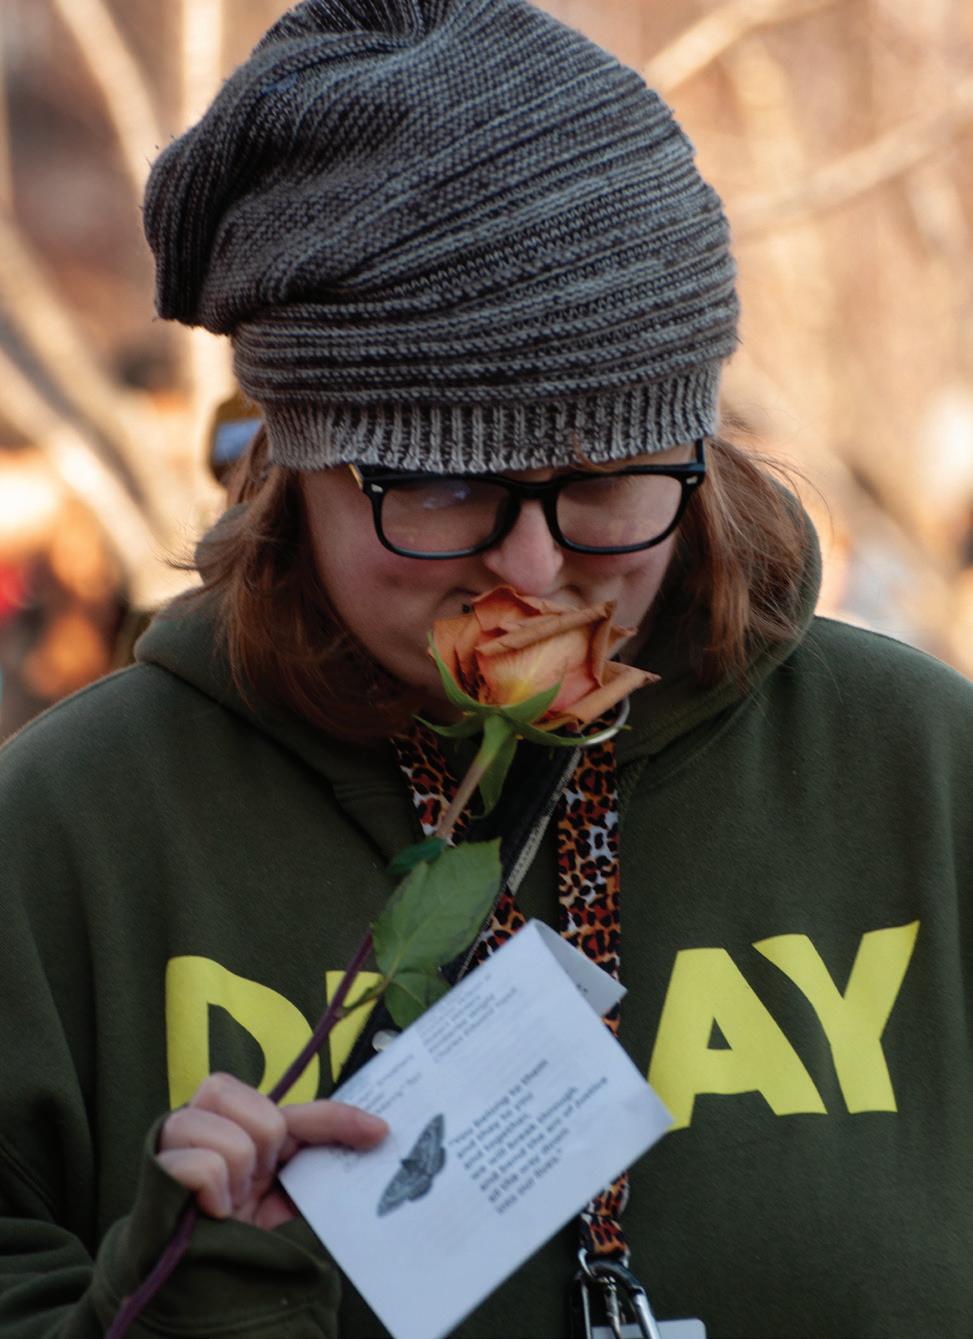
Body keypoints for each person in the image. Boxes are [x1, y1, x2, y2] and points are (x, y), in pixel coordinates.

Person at [1, 1, 971, 1336]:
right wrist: (175, 1298)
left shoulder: (918, 770)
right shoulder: (75, 830)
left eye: (604, 479)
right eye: (443, 486)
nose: (529, 569)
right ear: (293, 471)